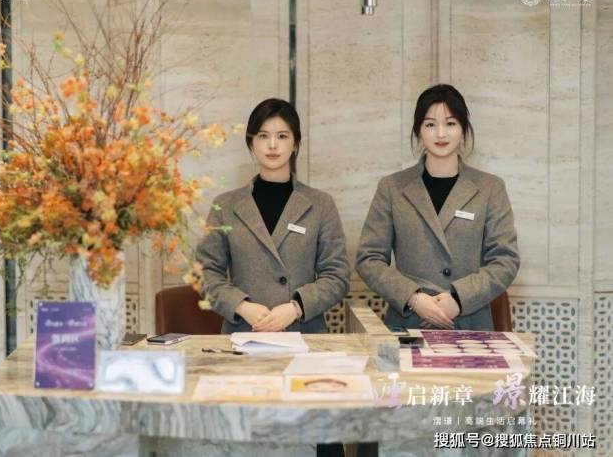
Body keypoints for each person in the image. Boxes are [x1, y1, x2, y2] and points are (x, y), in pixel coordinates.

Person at [356, 84, 520, 331]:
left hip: (469, 325)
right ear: (418, 130)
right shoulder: (392, 187)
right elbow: (369, 259)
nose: (441, 134)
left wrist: (459, 299)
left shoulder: (490, 188)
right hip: (409, 324)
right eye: (430, 124)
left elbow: (505, 260)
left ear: (463, 129)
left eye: (450, 123)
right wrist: (413, 297)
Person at [197, 98, 350, 335]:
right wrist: (242, 306)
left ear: (295, 143)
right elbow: (205, 273)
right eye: (263, 136)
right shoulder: (225, 206)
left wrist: (296, 307)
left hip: (303, 335)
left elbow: (337, 276)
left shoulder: (321, 204)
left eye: (282, 136)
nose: (272, 145)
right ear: (251, 143)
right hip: (244, 333)